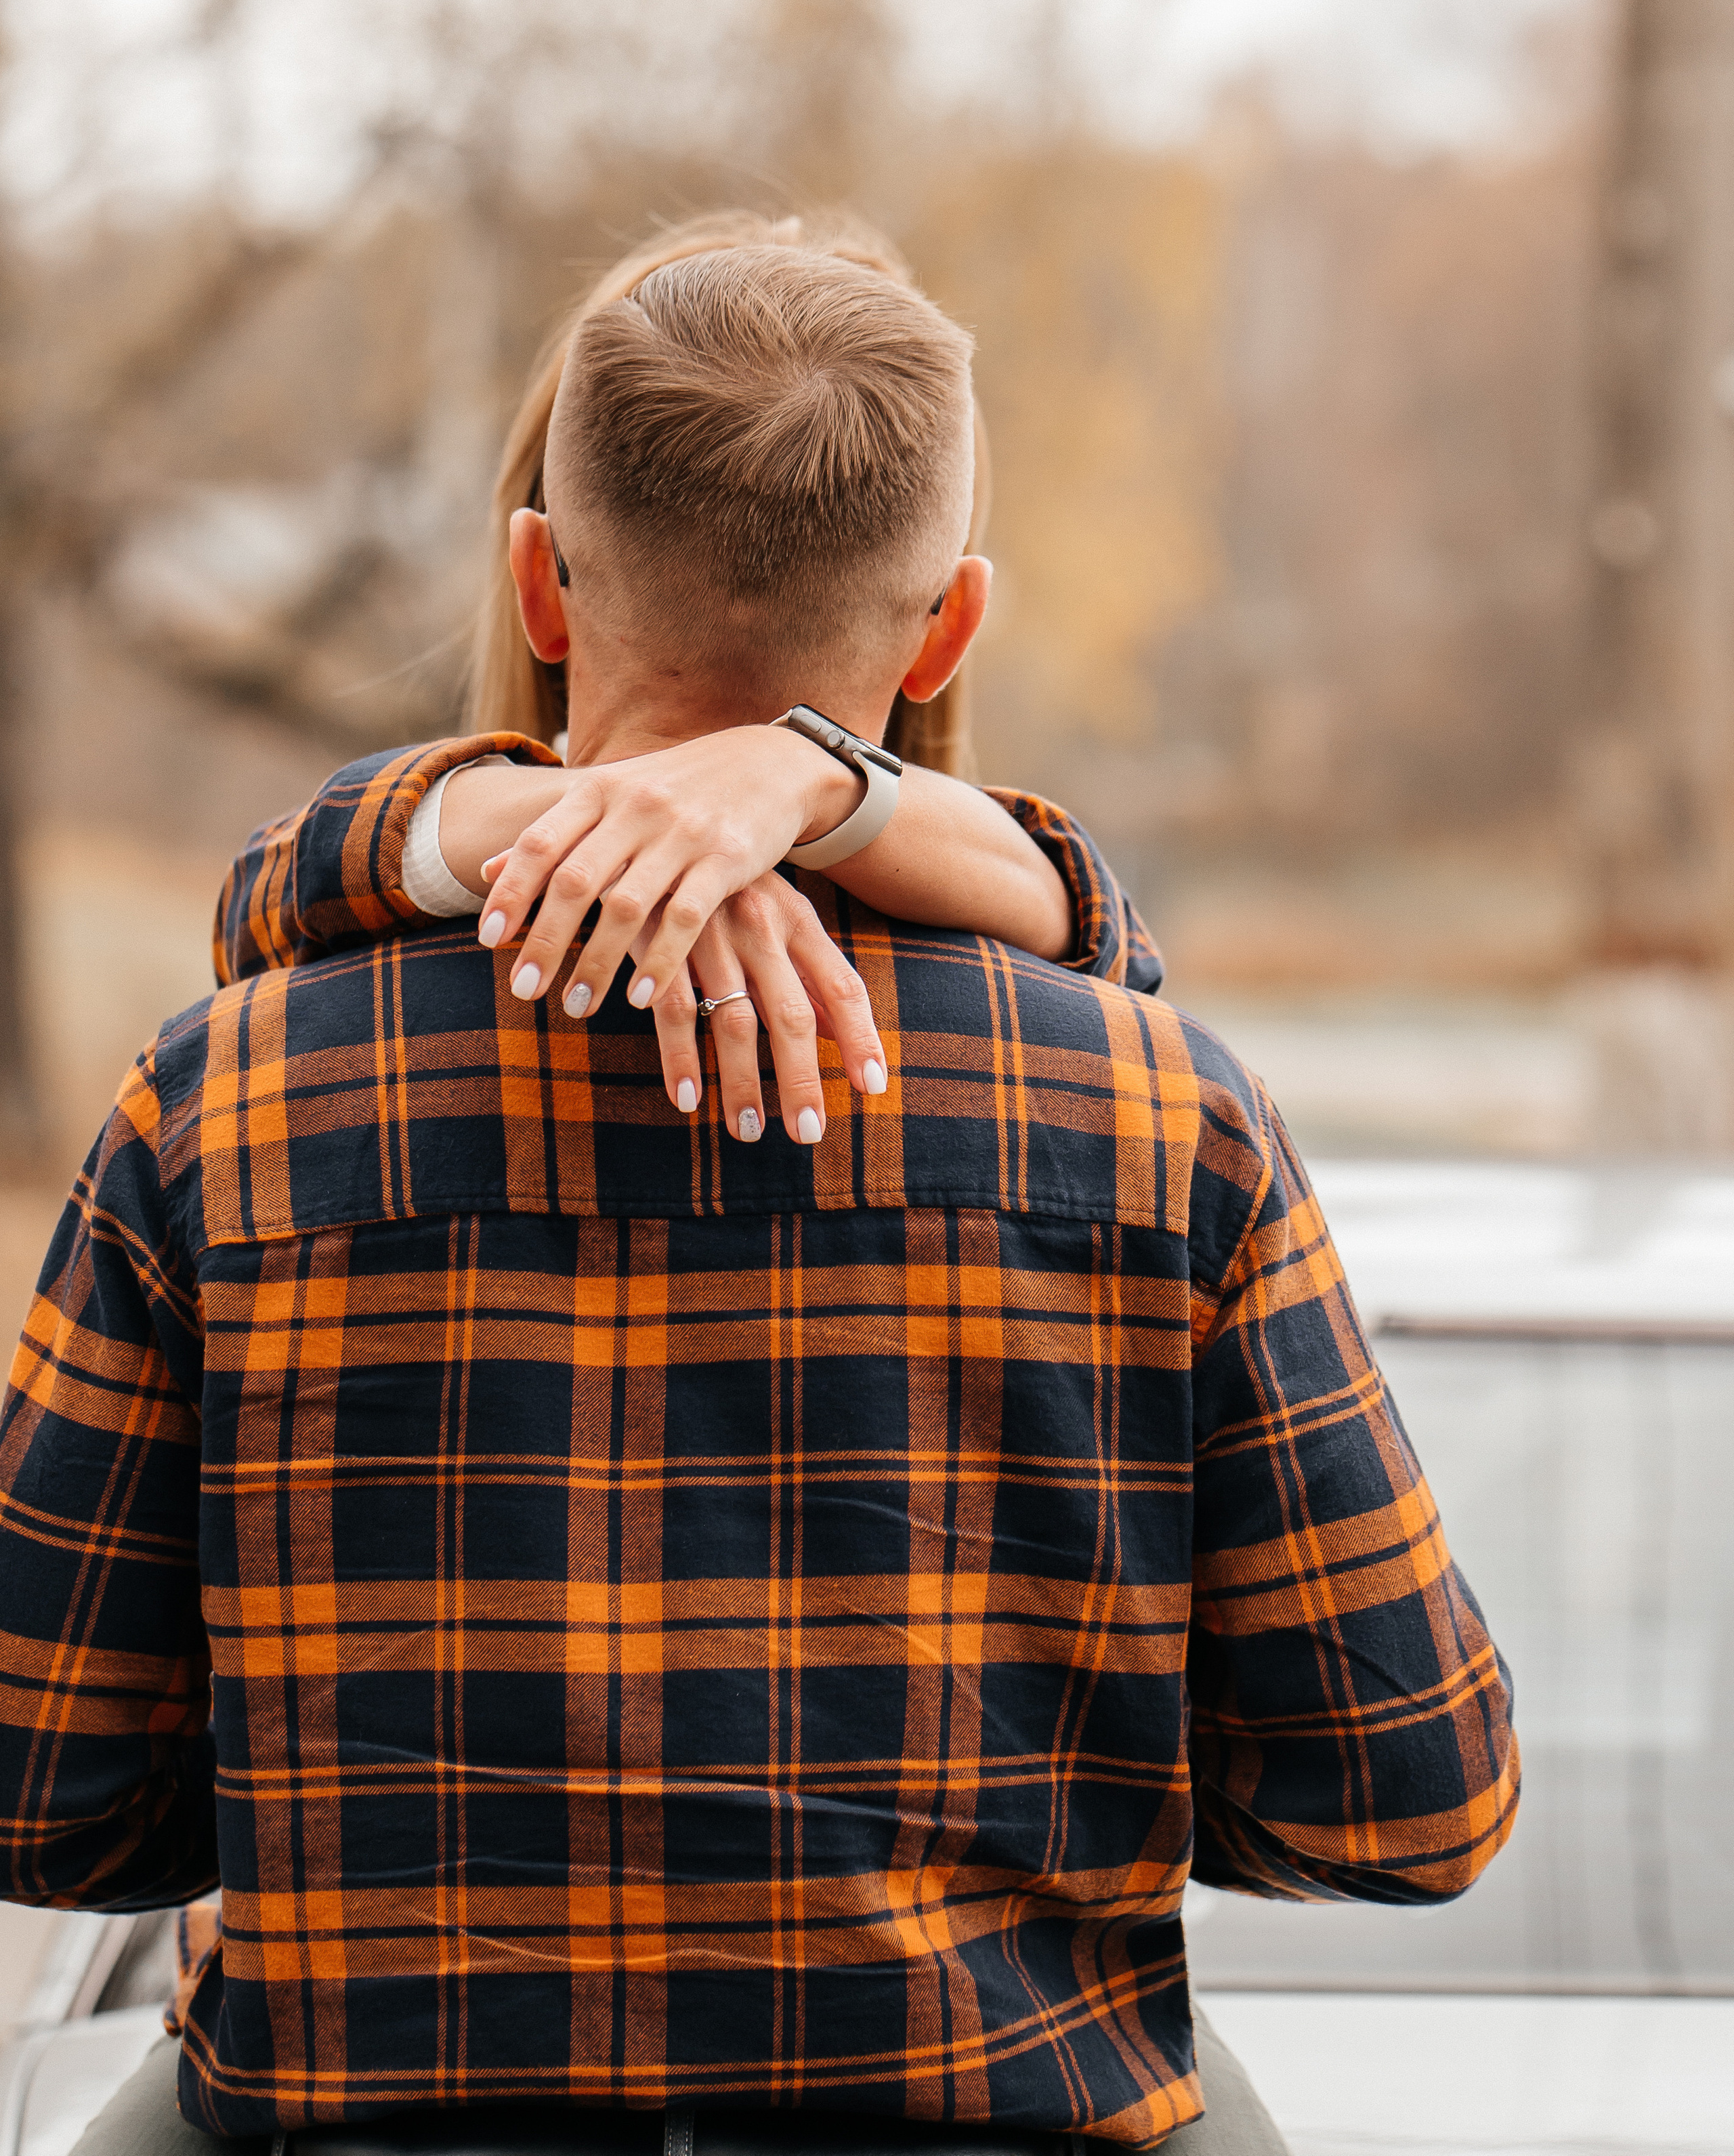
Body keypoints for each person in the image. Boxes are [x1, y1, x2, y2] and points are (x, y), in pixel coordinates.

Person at [0, 230, 1519, 2156]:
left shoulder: (227, 1108)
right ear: (951, 628)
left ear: (542, 581)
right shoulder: (1170, 1125)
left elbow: (40, 1791)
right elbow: (1409, 1802)